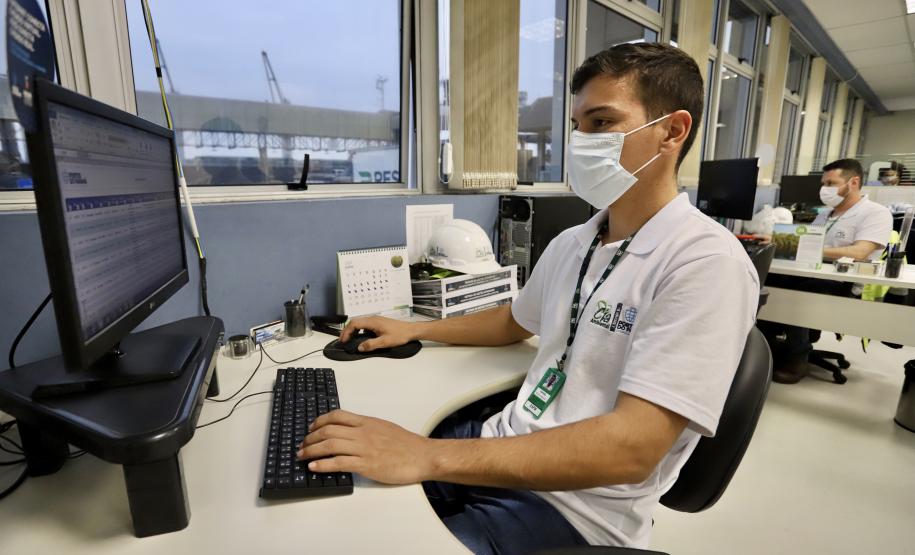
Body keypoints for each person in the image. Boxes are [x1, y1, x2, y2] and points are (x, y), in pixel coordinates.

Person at [296, 43, 759, 553]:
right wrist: (414, 329)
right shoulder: (576, 241)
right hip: (504, 443)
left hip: (575, 509)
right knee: (331, 483)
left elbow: (632, 450)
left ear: (672, 131)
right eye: (579, 124)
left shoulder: (704, 263)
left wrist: (427, 456)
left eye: (603, 122)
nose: (583, 140)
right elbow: (513, 321)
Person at [760, 158, 893, 383]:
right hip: (814, 272)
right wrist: (780, 241)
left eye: (831, 183)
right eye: (824, 183)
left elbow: (860, 252)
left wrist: (802, 245)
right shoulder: (825, 214)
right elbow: (808, 243)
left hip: (844, 280)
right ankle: (767, 345)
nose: (825, 189)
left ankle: (797, 357)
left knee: (800, 295)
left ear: (853, 182)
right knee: (767, 281)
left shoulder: (875, 213)